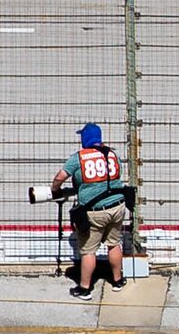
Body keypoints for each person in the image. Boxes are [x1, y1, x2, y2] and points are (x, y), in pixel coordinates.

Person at [45, 123, 134, 299]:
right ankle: (118, 280)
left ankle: (85, 288)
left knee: (88, 250)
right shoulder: (112, 154)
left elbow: (60, 177)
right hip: (117, 206)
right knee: (114, 244)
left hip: (94, 211)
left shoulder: (79, 158)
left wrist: (55, 190)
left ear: (85, 139)